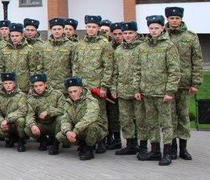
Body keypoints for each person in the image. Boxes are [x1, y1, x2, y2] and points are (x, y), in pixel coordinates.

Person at [137, 15, 180, 166]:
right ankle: (155, 150)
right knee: (151, 123)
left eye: (156, 28)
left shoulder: (169, 46)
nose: (154, 31)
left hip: (163, 93)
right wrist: (138, 88)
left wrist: (170, 91)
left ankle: (167, 152)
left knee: (167, 123)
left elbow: (174, 71)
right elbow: (137, 70)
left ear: (163, 28)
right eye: (151, 28)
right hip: (147, 92)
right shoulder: (143, 47)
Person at [165, 6, 202, 161]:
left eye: (177, 18)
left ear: (181, 19)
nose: (174, 21)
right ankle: (171, 148)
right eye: (172, 18)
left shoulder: (191, 36)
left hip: (185, 83)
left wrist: (196, 82)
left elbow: (197, 60)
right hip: (167, 84)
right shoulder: (163, 36)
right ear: (167, 19)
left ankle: (183, 148)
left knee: (184, 116)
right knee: (170, 117)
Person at [71, 15, 113, 153]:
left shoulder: (104, 44)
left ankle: (101, 140)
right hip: (83, 87)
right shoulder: (80, 44)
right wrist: (76, 85)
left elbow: (108, 67)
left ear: (99, 28)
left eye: (93, 27)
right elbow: (75, 65)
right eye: (88, 27)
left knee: (99, 114)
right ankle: (85, 141)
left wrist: (104, 86)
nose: (91, 29)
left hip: (97, 86)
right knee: (84, 113)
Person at [110, 21, 143, 156]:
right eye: (125, 33)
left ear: (135, 33)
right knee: (125, 118)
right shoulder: (119, 50)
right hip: (123, 89)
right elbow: (115, 72)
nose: (127, 36)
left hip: (138, 90)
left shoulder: (142, 48)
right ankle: (130, 144)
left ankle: (143, 145)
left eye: (130, 33)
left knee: (140, 119)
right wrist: (114, 88)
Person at [57, 77, 107, 161]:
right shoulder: (68, 102)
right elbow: (65, 119)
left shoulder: (91, 100)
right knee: (60, 136)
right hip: (79, 130)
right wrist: (67, 131)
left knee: (92, 127)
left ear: (81, 89)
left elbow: (89, 118)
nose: (72, 94)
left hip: (96, 130)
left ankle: (89, 149)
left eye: (75, 91)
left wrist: (75, 131)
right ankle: (82, 144)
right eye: (70, 92)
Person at [25, 73, 66, 154]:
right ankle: (42, 140)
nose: (38, 88)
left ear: (45, 84)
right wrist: (33, 125)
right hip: (41, 124)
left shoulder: (57, 94)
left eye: (40, 85)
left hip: (54, 124)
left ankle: (55, 144)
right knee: (27, 129)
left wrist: (49, 111)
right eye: (36, 86)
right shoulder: (31, 99)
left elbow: (64, 109)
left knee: (61, 119)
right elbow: (29, 115)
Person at [0, 23, 39, 93]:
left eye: (17, 36)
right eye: (12, 36)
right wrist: (0, 84)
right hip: (8, 87)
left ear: (22, 36)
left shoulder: (29, 50)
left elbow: (33, 69)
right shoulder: (4, 50)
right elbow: (0, 68)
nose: (14, 38)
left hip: (23, 87)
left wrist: (32, 86)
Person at [0, 72, 29, 152]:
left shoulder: (21, 95)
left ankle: (21, 141)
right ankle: (10, 138)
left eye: (10, 83)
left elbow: (23, 110)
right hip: (6, 125)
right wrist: (1, 122)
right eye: (5, 83)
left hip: (17, 123)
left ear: (14, 84)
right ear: (2, 84)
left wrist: (7, 119)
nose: (8, 85)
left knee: (21, 120)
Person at [40, 18, 75, 94]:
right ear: (51, 30)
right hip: (48, 86)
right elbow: (40, 66)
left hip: (64, 86)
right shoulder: (44, 46)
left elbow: (74, 67)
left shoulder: (71, 46)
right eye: (54, 29)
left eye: (59, 29)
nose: (57, 31)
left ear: (63, 30)